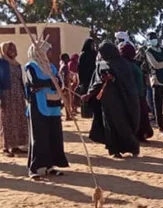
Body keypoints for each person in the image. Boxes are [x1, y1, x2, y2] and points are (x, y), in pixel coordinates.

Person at [82, 41, 140, 158]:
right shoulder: (106, 64)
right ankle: (115, 150)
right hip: (111, 101)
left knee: (121, 125)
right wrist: (90, 94)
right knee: (111, 126)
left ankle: (131, 147)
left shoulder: (121, 64)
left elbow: (125, 82)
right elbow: (98, 81)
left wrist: (112, 78)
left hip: (118, 100)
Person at [24, 40, 68, 178]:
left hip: (53, 106)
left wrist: (51, 82)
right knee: (39, 137)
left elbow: (59, 83)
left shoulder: (52, 67)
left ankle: (50, 166)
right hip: (38, 105)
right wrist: (50, 81)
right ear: (40, 52)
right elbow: (34, 82)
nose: (50, 53)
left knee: (53, 136)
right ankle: (35, 168)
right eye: (47, 50)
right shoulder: (31, 66)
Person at [118, 42, 153, 142]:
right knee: (137, 116)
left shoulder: (131, 63)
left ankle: (140, 134)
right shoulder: (125, 64)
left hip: (139, 93)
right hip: (132, 95)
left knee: (141, 115)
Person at [0, 41, 27, 157]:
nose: (13, 51)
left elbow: (21, 81)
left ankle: (15, 146)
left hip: (18, 96)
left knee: (18, 119)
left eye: (14, 49)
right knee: (7, 121)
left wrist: (25, 95)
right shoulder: (1, 63)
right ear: (4, 50)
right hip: (7, 95)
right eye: (10, 49)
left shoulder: (17, 64)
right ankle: (6, 147)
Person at [77, 38, 97, 118]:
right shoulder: (83, 55)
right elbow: (80, 68)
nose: (93, 46)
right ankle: (86, 113)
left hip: (94, 78)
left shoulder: (95, 54)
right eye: (92, 44)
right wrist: (80, 80)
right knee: (85, 95)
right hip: (85, 79)